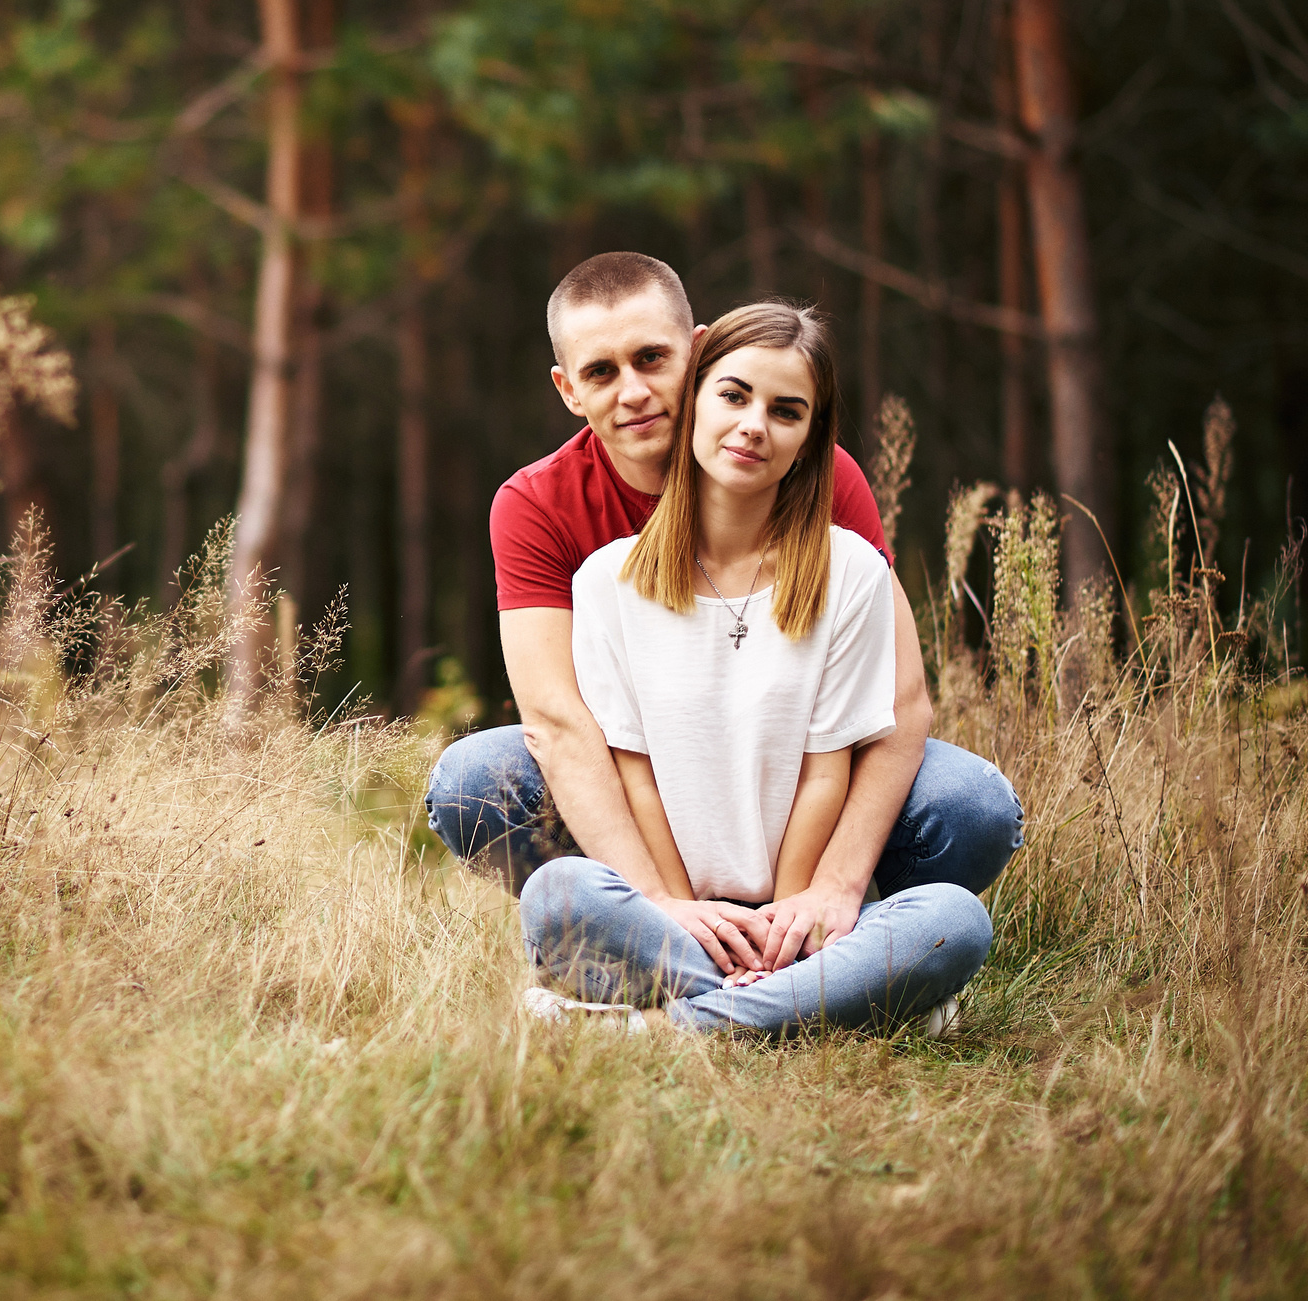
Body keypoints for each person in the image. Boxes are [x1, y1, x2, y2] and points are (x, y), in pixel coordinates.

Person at [427, 253, 1020, 1013]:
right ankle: (814, 978)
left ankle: (728, 977)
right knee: (478, 784)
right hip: (635, 804)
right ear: (568, 389)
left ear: (697, 350)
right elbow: (560, 724)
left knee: (971, 806)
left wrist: (826, 886)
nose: (634, 391)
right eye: (601, 372)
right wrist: (658, 898)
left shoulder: (810, 479)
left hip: (796, 803)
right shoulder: (552, 518)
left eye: (652, 358)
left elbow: (896, 708)